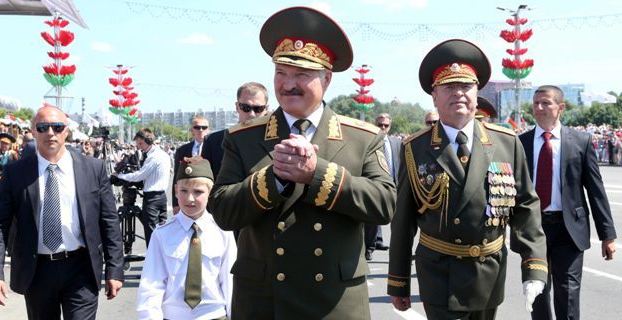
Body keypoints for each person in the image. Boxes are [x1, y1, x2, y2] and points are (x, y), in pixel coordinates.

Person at [208, 7, 396, 319]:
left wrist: (317, 175)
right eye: (281, 73)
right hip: (265, 300)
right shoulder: (242, 138)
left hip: (335, 302)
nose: (288, 84)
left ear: (327, 78)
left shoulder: (363, 137)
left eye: (302, 75)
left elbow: (384, 204)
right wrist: (275, 179)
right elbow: (224, 212)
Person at [387, 39, 548, 319]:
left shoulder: (506, 142)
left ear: (477, 93)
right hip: (439, 273)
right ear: (434, 96)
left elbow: (525, 206)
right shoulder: (416, 148)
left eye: (466, 87)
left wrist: (533, 265)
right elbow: (403, 220)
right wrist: (398, 281)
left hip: (488, 271)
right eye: (449, 87)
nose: (459, 94)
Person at [0, 105, 124, 320]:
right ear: (33, 131)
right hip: (37, 270)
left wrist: (115, 269)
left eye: (57, 127)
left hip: (81, 268)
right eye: (43, 127)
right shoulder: (16, 173)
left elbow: (109, 221)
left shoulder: (93, 169)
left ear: (66, 131)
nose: (50, 133)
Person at [519, 85, 617, 320]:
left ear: (560, 107)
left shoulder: (580, 141)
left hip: (569, 230)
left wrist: (608, 235)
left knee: (568, 292)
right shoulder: (520, 143)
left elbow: (596, 190)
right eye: (536, 103)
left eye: (546, 103)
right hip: (533, 230)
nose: (539, 108)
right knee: (537, 292)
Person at [137, 157, 236, 319]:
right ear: (175, 191)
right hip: (174, 316)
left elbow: (230, 281)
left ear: (210, 193)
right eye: (184, 191)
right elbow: (151, 285)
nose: (190, 198)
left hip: (213, 314)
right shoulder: (162, 234)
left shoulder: (222, 231)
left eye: (198, 192)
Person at [114, 128, 171, 247]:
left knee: (151, 234)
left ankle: (153, 261)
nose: (139, 147)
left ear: (149, 140)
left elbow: (139, 176)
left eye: (140, 143)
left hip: (152, 200)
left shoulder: (153, 156)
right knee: (162, 232)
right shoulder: (162, 154)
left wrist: (120, 176)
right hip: (161, 197)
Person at [201, 81, 270, 180]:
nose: (251, 114)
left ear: (266, 109)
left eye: (258, 108)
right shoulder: (213, 141)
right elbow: (205, 182)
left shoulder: (276, 142)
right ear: (237, 106)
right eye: (246, 107)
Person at [364, 113, 401, 260]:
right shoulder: (369, 143)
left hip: (396, 186)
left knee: (399, 222)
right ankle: (369, 248)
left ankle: (400, 251)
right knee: (372, 221)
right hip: (376, 187)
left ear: (390, 126)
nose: (383, 128)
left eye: (386, 125)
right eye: (380, 125)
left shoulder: (397, 143)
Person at [172, 116, 210, 213]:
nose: (201, 130)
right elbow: (177, 177)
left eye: (204, 127)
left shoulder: (216, 149)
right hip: (188, 198)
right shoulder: (182, 150)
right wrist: (175, 204)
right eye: (197, 127)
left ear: (208, 130)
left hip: (208, 197)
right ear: (192, 130)